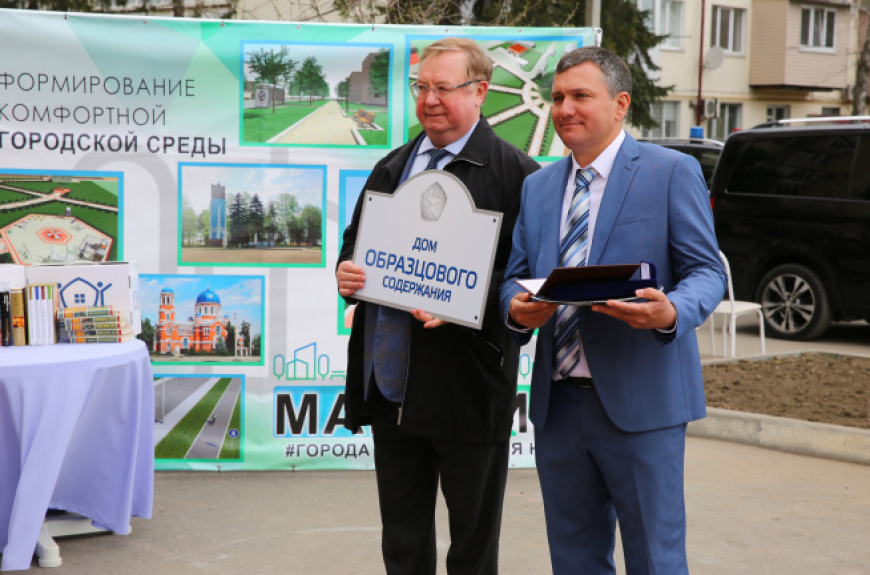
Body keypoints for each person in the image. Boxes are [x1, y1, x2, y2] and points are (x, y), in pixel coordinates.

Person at [499, 47, 727, 574]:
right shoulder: (537, 187)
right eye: (558, 97)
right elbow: (516, 274)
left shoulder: (671, 172)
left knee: (655, 559)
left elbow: (707, 271)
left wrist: (672, 312)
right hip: (559, 407)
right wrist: (515, 308)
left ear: (620, 104)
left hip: (643, 404)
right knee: (574, 560)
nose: (565, 109)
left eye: (581, 96)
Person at [335, 38, 539, 575]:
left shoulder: (519, 175)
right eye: (421, 87)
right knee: (403, 543)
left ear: (480, 91)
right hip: (391, 385)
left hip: (466, 388)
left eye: (443, 88)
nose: (429, 100)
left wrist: (468, 300)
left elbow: (529, 281)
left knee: (472, 547)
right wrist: (347, 269)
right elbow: (356, 242)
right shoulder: (393, 165)